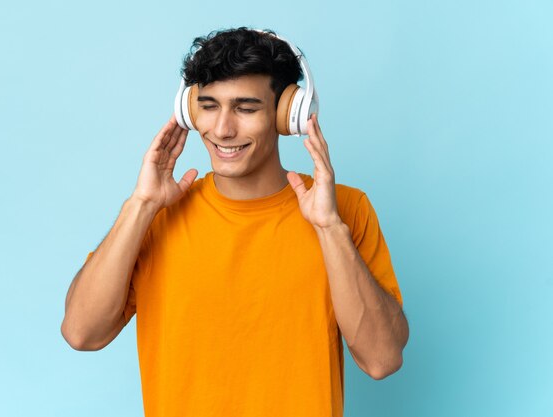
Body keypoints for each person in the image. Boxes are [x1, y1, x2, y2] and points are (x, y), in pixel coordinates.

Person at [61, 27, 409, 417]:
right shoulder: (155, 215)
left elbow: (382, 360)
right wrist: (141, 204)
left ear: (286, 114)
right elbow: (81, 333)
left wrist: (329, 228)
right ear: (189, 111)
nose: (223, 129)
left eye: (245, 108)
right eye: (209, 106)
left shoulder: (346, 209)